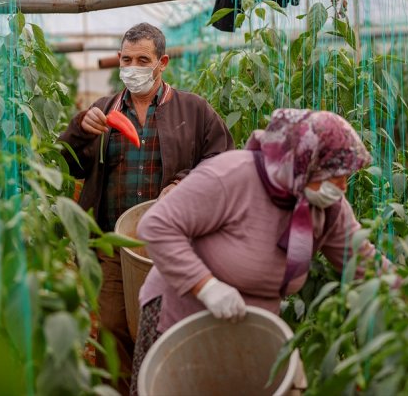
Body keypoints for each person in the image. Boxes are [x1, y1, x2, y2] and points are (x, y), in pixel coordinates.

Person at [131, 108, 392, 395]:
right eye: (334, 175)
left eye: (346, 176)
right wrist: (205, 286)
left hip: (251, 332)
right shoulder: (233, 175)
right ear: (304, 161)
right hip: (183, 319)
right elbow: (156, 225)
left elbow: (363, 260)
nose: (343, 186)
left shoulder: (327, 208)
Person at [58, 22, 234, 395]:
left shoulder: (194, 110)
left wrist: (183, 183)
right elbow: (68, 163)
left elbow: (223, 162)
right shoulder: (103, 111)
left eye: (142, 59)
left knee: (164, 328)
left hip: (171, 247)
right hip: (113, 245)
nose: (132, 67)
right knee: (111, 328)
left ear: (162, 62)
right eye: (126, 59)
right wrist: (78, 129)